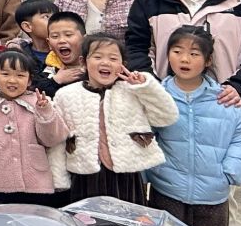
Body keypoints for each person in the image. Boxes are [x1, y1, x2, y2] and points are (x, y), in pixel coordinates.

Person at [146, 25, 241, 226]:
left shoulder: (224, 98)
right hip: (168, 184)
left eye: (194, 53)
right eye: (177, 51)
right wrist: (150, 172)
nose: (184, 59)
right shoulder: (158, 96)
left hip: (213, 189)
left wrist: (230, 172)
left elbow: (240, 137)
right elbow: (145, 136)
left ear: (207, 60)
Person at [54, 31, 178, 205]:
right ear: (83, 62)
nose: (105, 62)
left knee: (128, 220)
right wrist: (59, 179)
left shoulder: (133, 90)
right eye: (97, 57)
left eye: (113, 58)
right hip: (85, 175)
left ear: (122, 65)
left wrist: (145, 87)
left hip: (127, 175)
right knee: (86, 220)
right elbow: (58, 140)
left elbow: (167, 117)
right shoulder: (65, 95)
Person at [0, 50, 67, 207]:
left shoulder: (40, 103)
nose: (12, 80)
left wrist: (45, 112)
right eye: (5, 74)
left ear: (30, 80)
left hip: (36, 184)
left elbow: (52, 140)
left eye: (20, 75)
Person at [9, 0, 58, 72]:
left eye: (56, 16)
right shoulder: (18, 55)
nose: (55, 20)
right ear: (27, 26)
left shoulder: (64, 53)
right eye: (46, 16)